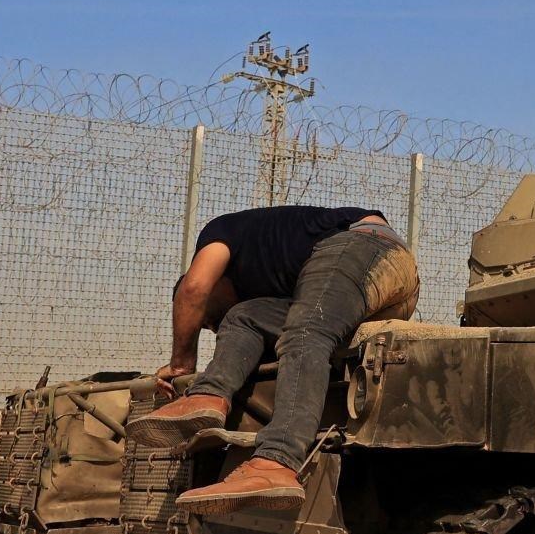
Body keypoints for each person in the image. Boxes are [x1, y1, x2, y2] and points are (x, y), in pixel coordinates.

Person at [149, 206, 420, 512]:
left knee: (305, 330)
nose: (211, 326)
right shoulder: (272, 279)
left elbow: (194, 288)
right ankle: (208, 396)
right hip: (365, 290)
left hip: (371, 249)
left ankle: (278, 460)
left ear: (217, 284)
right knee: (245, 317)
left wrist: (181, 365)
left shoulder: (220, 233)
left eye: (207, 320)